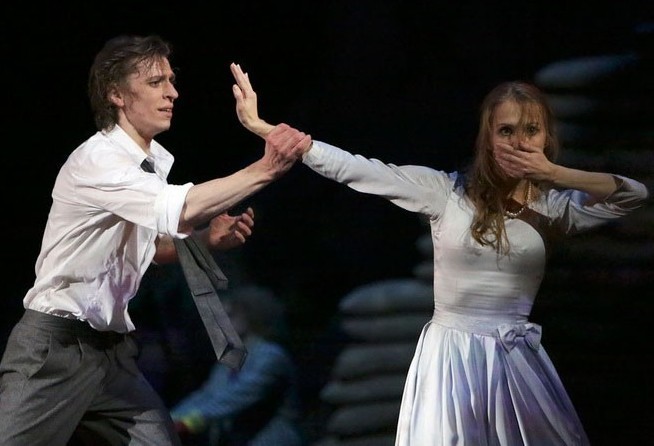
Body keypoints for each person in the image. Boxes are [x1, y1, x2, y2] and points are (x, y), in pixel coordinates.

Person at [229, 63, 649, 445]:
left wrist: (554, 173)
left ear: (546, 138)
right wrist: (270, 131)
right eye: (506, 131)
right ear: (488, 138)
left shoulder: (553, 208)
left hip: (515, 357)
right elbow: (360, 169)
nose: (519, 143)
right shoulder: (447, 192)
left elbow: (633, 195)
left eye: (531, 131)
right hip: (453, 358)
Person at [0, 35, 310, 446]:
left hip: (112, 355)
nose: (172, 92)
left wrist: (204, 241)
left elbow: (147, 251)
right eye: (155, 82)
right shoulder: (100, 160)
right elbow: (181, 209)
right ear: (116, 95)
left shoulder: (148, 165)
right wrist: (266, 169)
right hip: (55, 349)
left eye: (171, 80)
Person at [170, 284, 305, 446]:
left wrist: (184, 423)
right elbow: (207, 395)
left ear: (252, 316)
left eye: (230, 315)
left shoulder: (271, 356)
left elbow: (234, 398)